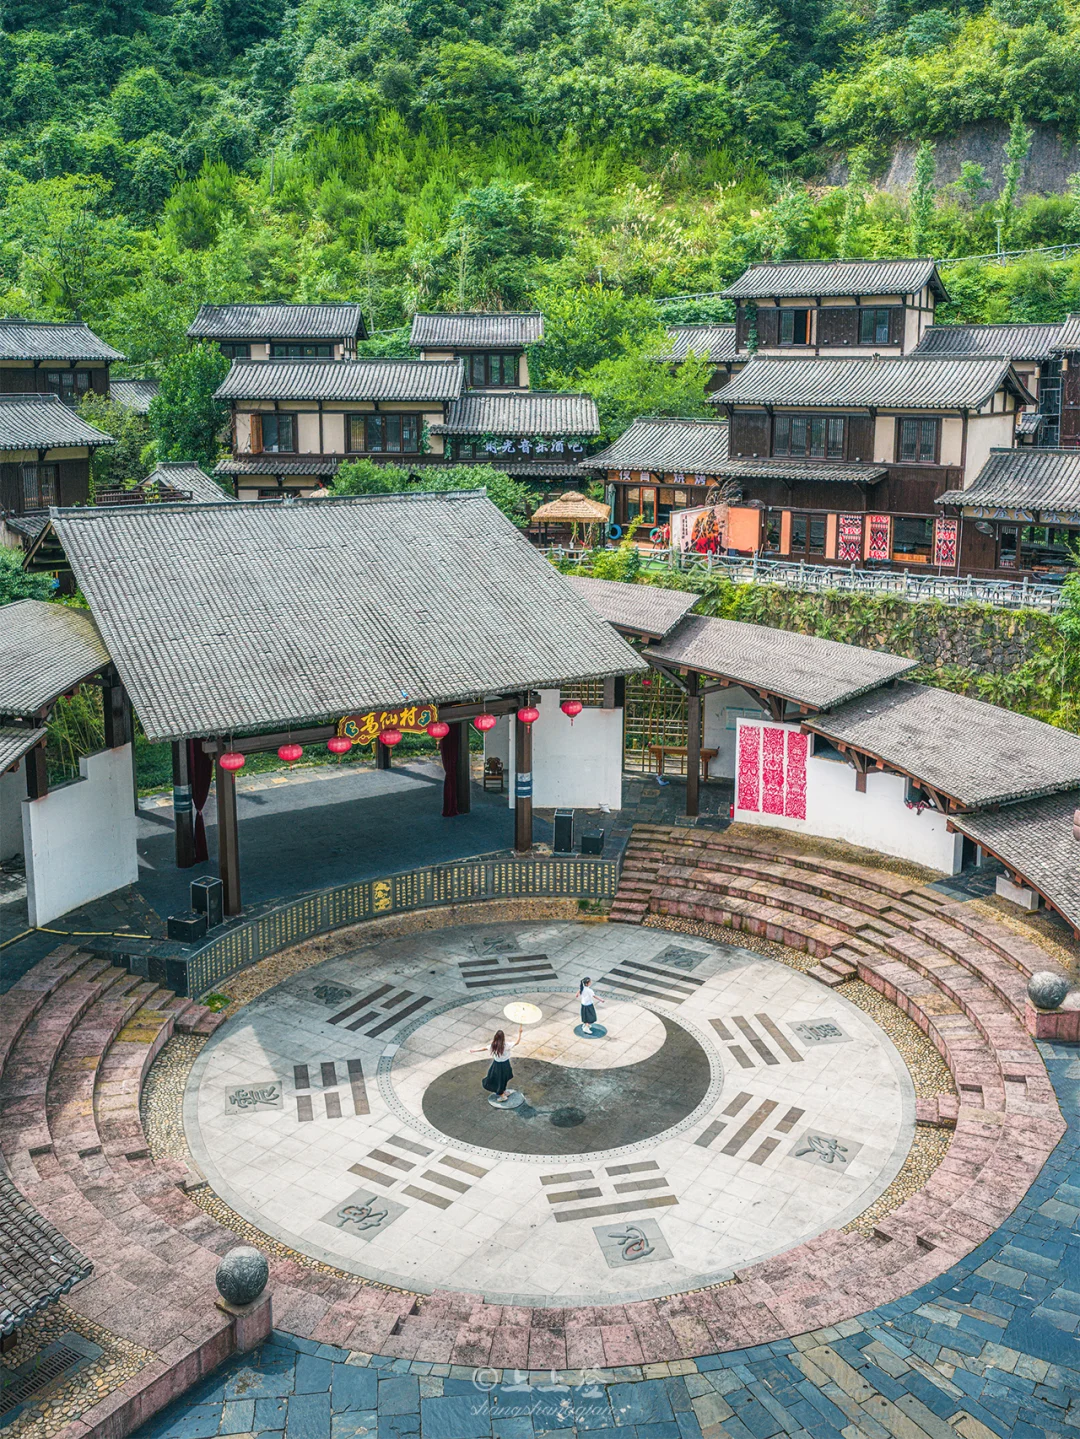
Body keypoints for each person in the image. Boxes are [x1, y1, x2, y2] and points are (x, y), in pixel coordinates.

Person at [471, 1024, 522, 1103]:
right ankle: (503, 1092)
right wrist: (520, 1033)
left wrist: (475, 1050)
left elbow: (484, 1048)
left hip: (497, 1065)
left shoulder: (493, 1046)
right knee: (503, 1078)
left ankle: (502, 1095)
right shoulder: (506, 1045)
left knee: (496, 1079)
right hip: (506, 1064)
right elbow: (517, 1042)